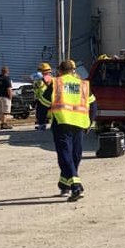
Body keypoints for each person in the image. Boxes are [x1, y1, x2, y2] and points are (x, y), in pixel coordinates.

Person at [46, 58, 93, 200]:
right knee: (74, 156)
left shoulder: (56, 83)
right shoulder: (83, 84)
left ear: (59, 70)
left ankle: (75, 185)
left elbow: (43, 102)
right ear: (73, 70)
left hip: (62, 123)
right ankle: (65, 185)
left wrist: (41, 121)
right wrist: (90, 122)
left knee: (67, 155)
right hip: (79, 124)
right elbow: (94, 104)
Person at [33, 62, 53, 130]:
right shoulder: (40, 78)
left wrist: (40, 79)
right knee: (43, 113)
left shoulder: (47, 77)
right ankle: (43, 124)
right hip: (42, 98)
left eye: (40, 70)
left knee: (41, 113)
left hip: (45, 99)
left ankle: (42, 126)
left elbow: (45, 84)